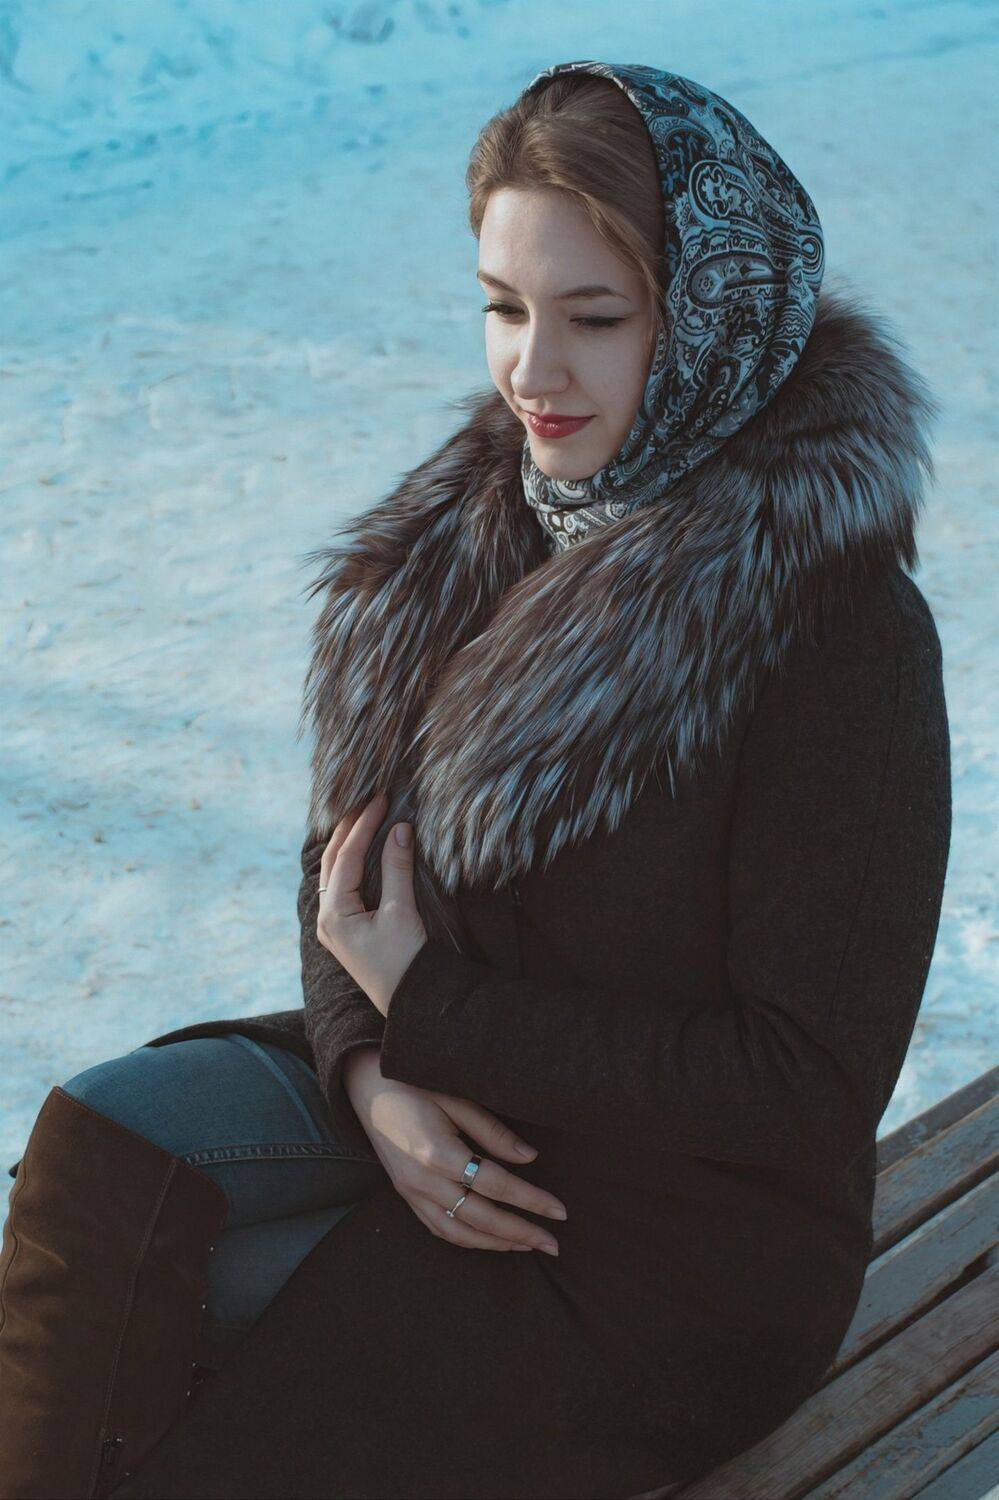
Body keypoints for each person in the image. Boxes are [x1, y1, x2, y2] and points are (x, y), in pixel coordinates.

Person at [0, 59, 951, 1500]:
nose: (532, 373)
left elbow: (798, 1090)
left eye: (595, 318)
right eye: (505, 307)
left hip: (665, 1250)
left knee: (170, 1336)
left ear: (714, 317)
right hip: (442, 1094)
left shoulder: (833, 632)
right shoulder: (476, 524)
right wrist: (372, 1074)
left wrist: (436, 1014)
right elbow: (347, 876)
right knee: (100, 1154)